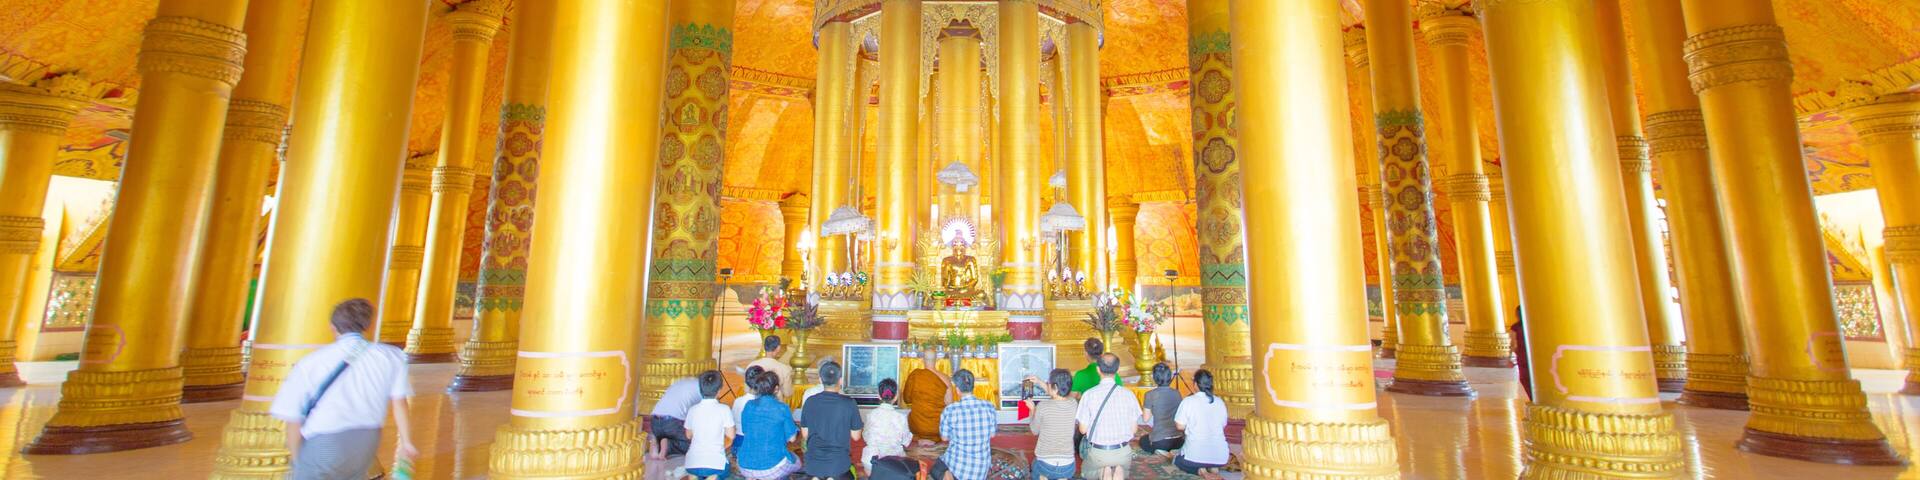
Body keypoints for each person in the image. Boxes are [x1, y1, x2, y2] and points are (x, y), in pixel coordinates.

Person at [269, 299, 415, 480]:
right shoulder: (392, 356)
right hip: (367, 441)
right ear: (368, 326)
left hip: (325, 439)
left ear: (332, 327)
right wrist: (406, 442)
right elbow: (400, 403)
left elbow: (293, 419)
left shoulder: (312, 362)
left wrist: (299, 461)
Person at [1076, 354, 1146, 480]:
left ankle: (1104, 472)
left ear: (1098, 369)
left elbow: (1083, 430)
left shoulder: (1089, 395)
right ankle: (1118, 469)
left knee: (1086, 473)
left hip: (1098, 452)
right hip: (1123, 451)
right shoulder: (1128, 395)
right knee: (1123, 469)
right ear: (1118, 370)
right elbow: (1134, 429)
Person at [799, 360, 864, 480]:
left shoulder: (810, 402)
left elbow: (805, 434)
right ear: (840, 380)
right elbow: (856, 436)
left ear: (820, 379)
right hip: (839, 464)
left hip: (812, 464)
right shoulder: (849, 403)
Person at [931, 369, 997, 480]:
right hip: (981, 469)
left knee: (935, 469)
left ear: (957, 390)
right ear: (973, 386)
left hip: (959, 468)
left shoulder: (950, 410)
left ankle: (949, 475)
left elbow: (944, 438)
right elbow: (992, 435)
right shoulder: (989, 406)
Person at [736, 368, 802, 479]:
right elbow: (792, 438)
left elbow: (745, 430)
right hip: (770, 467)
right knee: (797, 462)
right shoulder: (781, 408)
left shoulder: (748, 405)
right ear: (776, 389)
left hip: (744, 464)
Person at [1022, 369, 1079, 480]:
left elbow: (1034, 430)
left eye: (1048, 383)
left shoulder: (1042, 406)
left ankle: (1043, 477)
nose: (1047, 384)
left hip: (1045, 465)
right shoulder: (1074, 403)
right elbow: (1056, 394)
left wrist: (1032, 410)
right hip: (1068, 467)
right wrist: (1039, 381)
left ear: (1055, 387)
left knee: (1034, 466)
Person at [1172, 370, 1230, 476]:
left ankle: (1200, 470)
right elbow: (1223, 424)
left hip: (1194, 455)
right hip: (1221, 457)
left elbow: (1179, 426)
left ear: (1195, 384)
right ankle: (1213, 467)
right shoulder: (1220, 402)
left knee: (1176, 460)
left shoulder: (1189, 401)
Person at [681, 371, 735, 479]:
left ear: (700, 389)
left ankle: (696, 476)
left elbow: (688, 435)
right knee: (728, 470)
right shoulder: (724, 409)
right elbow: (731, 435)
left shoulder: (693, 410)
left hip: (692, 463)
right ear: (719, 390)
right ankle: (713, 477)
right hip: (716, 464)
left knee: (697, 471)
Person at [905, 348, 959, 443]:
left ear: (922, 360)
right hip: (937, 428)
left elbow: (907, 399)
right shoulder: (945, 379)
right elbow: (950, 406)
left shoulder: (915, 375)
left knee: (910, 415)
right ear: (936, 360)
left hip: (917, 426)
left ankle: (920, 438)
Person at [861, 378, 912, 471]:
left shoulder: (871, 415)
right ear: (896, 396)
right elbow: (906, 441)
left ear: (879, 396)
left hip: (872, 462)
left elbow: (866, 437)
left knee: (867, 464)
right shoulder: (901, 417)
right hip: (893, 463)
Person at [649, 375, 703, 459]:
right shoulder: (702, 390)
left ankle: (656, 442)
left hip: (654, 421)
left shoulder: (681, 381)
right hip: (672, 423)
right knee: (693, 447)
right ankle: (669, 445)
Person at [1140, 363, 1184, 457]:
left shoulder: (1150, 395)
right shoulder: (1177, 393)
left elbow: (1146, 419)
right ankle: (1174, 451)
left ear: (1154, 378)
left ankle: (1161, 452)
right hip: (1179, 440)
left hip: (1160, 441)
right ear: (1170, 377)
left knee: (1143, 441)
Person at [747, 334, 797, 400]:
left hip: (755, 404)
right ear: (778, 348)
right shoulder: (784, 369)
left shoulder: (751, 365)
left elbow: (747, 390)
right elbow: (788, 393)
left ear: (764, 346)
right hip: (776, 406)